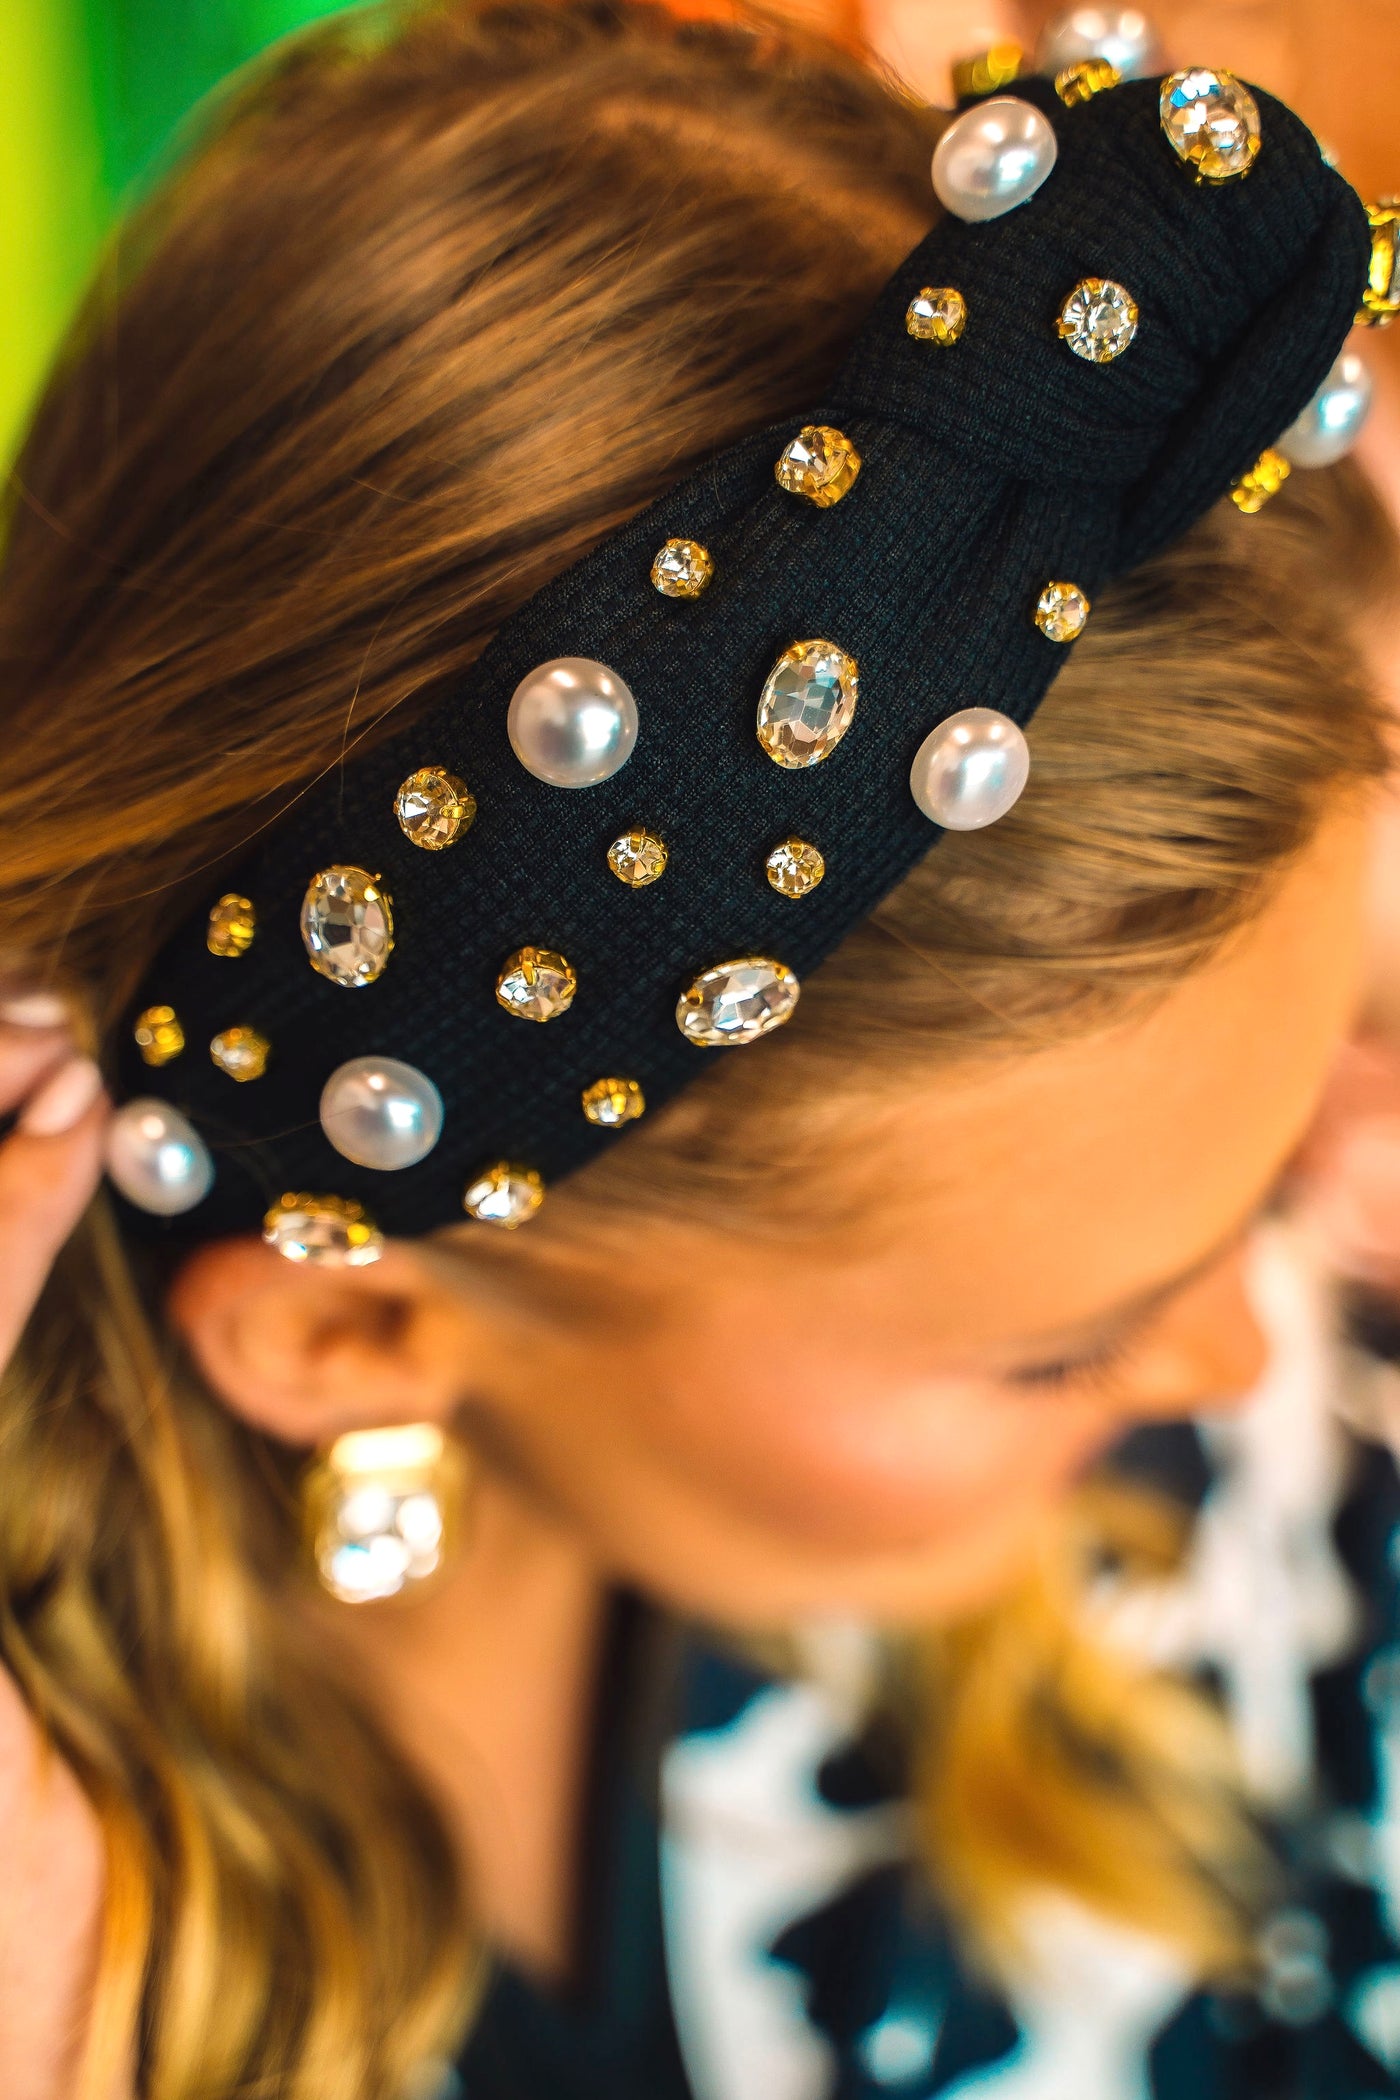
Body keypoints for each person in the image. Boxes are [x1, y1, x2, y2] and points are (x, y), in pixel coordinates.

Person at [4, 4, 1400, 2097]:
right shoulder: (84, 1980)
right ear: (352, 1335)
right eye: (1060, 1341)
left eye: (1300, 1127)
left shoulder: (1283, 1558)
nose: (1244, 1354)